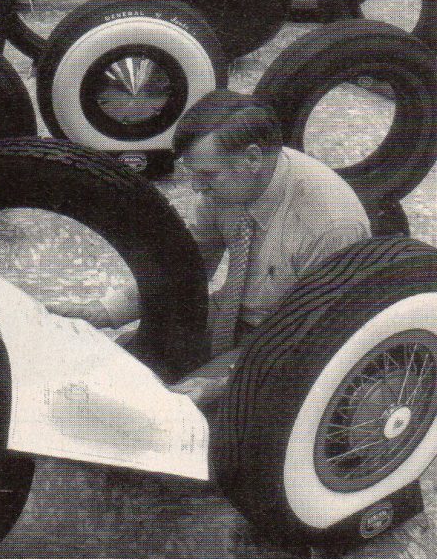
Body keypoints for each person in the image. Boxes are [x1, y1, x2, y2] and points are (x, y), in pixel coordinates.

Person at [48, 90, 371, 401]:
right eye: (193, 174)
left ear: (252, 158)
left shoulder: (331, 227)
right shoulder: (226, 185)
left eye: (207, 175)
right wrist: (104, 311)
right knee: (123, 359)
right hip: (231, 311)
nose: (196, 187)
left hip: (286, 341)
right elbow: (184, 269)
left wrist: (223, 385)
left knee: (183, 407)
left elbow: (318, 341)